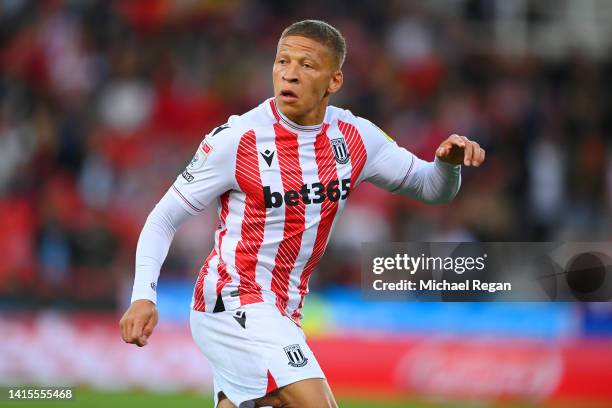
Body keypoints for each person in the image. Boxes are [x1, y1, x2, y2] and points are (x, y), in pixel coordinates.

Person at [119, 19, 485, 408]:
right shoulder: (237, 139)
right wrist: (144, 295)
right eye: (282, 61)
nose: (289, 74)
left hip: (285, 309)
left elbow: (431, 188)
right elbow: (163, 217)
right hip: (232, 300)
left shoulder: (355, 137)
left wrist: (448, 165)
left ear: (334, 80)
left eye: (307, 65)